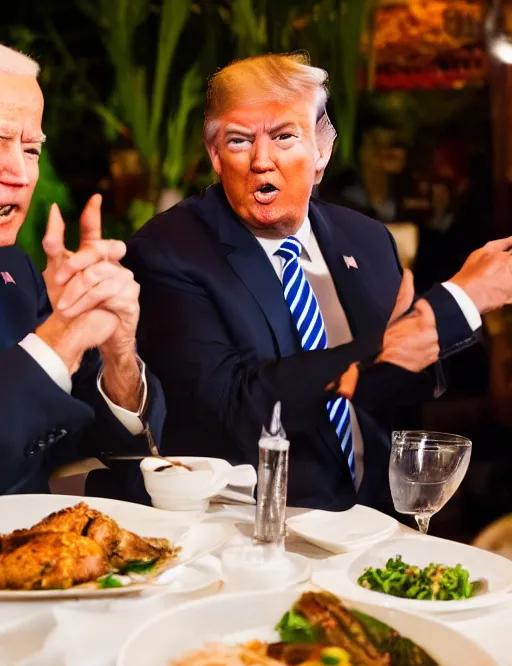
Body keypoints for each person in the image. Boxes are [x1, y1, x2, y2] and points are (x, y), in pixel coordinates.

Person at [125, 53, 512, 512]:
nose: (262, 161)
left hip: (375, 519)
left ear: (321, 151)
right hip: (252, 531)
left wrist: (425, 339)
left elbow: (402, 388)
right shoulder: (170, 249)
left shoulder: (366, 239)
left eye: (285, 136)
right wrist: (434, 317)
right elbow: (234, 412)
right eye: (238, 140)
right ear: (214, 156)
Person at [0, 44, 165, 499]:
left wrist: (117, 353)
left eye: (31, 149)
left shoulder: (15, 270)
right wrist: (65, 335)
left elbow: (104, 444)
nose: (20, 173)